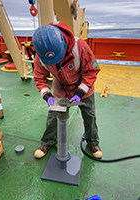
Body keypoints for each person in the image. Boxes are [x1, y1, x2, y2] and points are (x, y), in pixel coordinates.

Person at [33, 21, 102, 159]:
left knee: (89, 115)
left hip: (83, 85)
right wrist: (46, 95)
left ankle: (92, 142)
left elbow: (91, 71)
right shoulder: (41, 56)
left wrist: (80, 92)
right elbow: (40, 78)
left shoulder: (80, 46)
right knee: (53, 116)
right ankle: (47, 141)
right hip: (61, 87)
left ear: (63, 43)